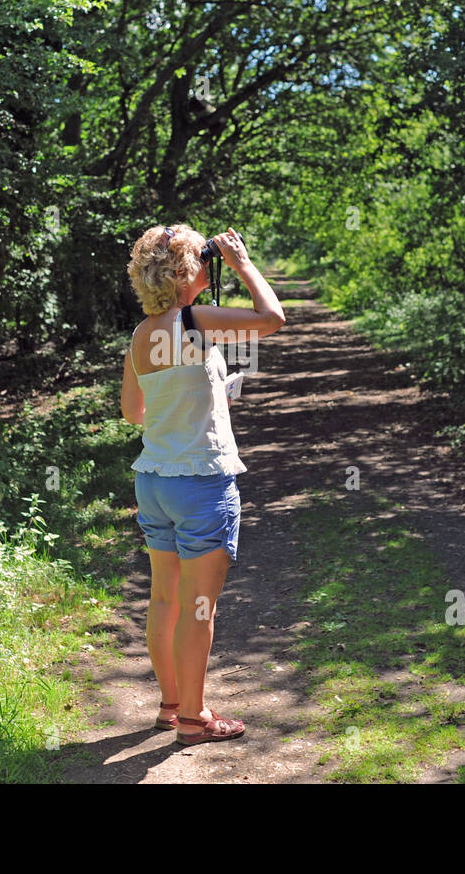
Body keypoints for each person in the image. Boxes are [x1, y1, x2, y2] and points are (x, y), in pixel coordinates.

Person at [121, 224, 285, 745]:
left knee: (165, 599)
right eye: (207, 259)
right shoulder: (193, 319)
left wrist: (206, 401)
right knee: (199, 605)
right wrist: (242, 263)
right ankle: (193, 721)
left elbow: (134, 413)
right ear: (189, 271)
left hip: (154, 482)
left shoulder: (141, 335)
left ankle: (172, 705)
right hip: (201, 484)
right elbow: (272, 319)